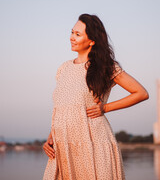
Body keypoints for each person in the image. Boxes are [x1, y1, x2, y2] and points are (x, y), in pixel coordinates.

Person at [43, 14, 149, 180]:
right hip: (64, 147)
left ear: (92, 40)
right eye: (72, 32)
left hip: (94, 144)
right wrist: (51, 138)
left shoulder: (105, 67)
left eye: (78, 34)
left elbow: (141, 93)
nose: (71, 37)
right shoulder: (63, 69)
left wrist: (105, 108)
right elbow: (62, 107)